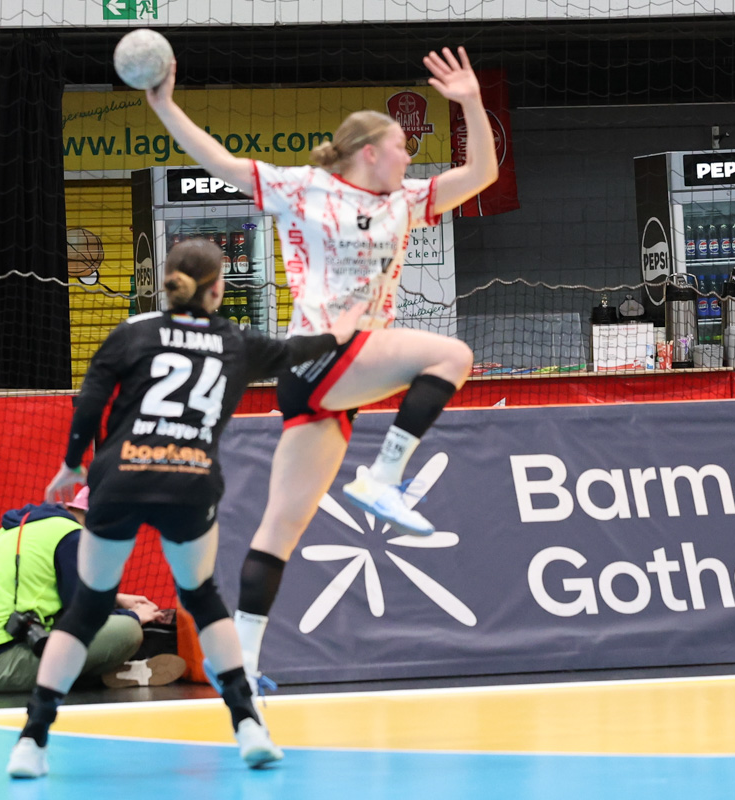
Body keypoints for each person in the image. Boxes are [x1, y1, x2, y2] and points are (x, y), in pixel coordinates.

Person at [144, 46, 498, 700]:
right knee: (451, 356)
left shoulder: (405, 201)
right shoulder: (303, 188)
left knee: (281, 528)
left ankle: (237, 665)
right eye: (402, 148)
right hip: (320, 352)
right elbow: (218, 161)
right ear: (369, 151)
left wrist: (472, 101)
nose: (410, 157)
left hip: (333, 377)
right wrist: (164, 104)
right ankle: (383, 478)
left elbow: (482, 172)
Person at [6, 238, 365, 779]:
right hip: (190, 481)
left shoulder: (133, 331)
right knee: (201, 597)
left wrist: (74, 462)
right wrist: (347, 325)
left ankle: (31, 741)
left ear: (167, 282)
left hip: (121, 477)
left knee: (87, 609)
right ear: (218, 289)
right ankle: (249, 726)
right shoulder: (236, 341)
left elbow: (91, 399)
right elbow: (304, 349)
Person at [0, 486, 184, 693]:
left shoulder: (33, 526)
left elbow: (51, 592)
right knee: (126, 630)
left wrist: (116, 599)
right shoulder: (72, 537)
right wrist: (134, 616)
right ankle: (104, 673)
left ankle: (103, 675)